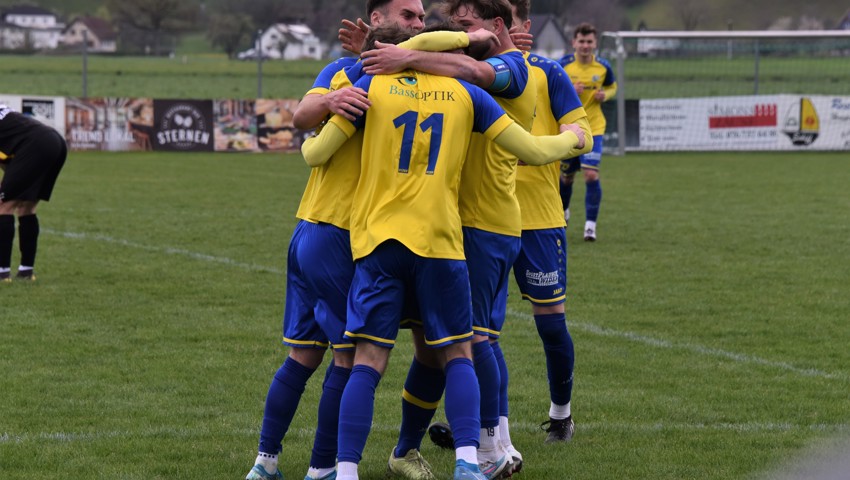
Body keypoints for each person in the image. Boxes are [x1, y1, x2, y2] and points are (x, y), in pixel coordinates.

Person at [301, 21, 584, 480]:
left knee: (368, 362)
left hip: (379, 243)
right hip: (441, 244)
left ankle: (347, 471)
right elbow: (531, 150)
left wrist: (310, 141)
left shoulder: (372, 84)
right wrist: (574, 139)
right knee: (458, 355)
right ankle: (469, 464)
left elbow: (316, 155)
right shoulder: (466, 94)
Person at [244, 2, 430, 480]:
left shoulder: (409, 78)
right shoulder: (347, 72)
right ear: (377, 17)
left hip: (311, 229)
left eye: (423, 16)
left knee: (304, 355)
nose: (420, 23)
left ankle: (265, 464)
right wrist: (328, 101)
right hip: (339, 235)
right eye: (409, 15)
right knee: (349, 359)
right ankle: (323, 469)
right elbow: (301, 113)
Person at [508, 0, 591, 446]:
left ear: (525, 26)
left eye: (509, 19)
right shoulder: (465, 71)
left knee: (551, 322)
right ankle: (484, 431)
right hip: (477, 217)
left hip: (538, 217)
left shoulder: (547, 72)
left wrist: (538, 147)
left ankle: (562, 414)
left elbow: (583, 135)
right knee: (468, 329)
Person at [559, 22, 617, 242]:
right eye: (581, 41)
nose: (585, 45)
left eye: (589, 42)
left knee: (591, 173)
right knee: (566, 177)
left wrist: (606, 95)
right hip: (569, 127)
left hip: (594, 127)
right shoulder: (562, 65)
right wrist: (569, 90)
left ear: (595, 44)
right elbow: (548, 90)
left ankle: (590, 226)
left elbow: (612, 86)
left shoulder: (603, 67)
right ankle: (563, 211)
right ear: (574, 42)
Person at [0, 104, 67, 283]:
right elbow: (7, 158)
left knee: (3, 206)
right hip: (54, 142)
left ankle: (2, 273)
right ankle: (26, 272)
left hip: (35, 146)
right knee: (26, 207)